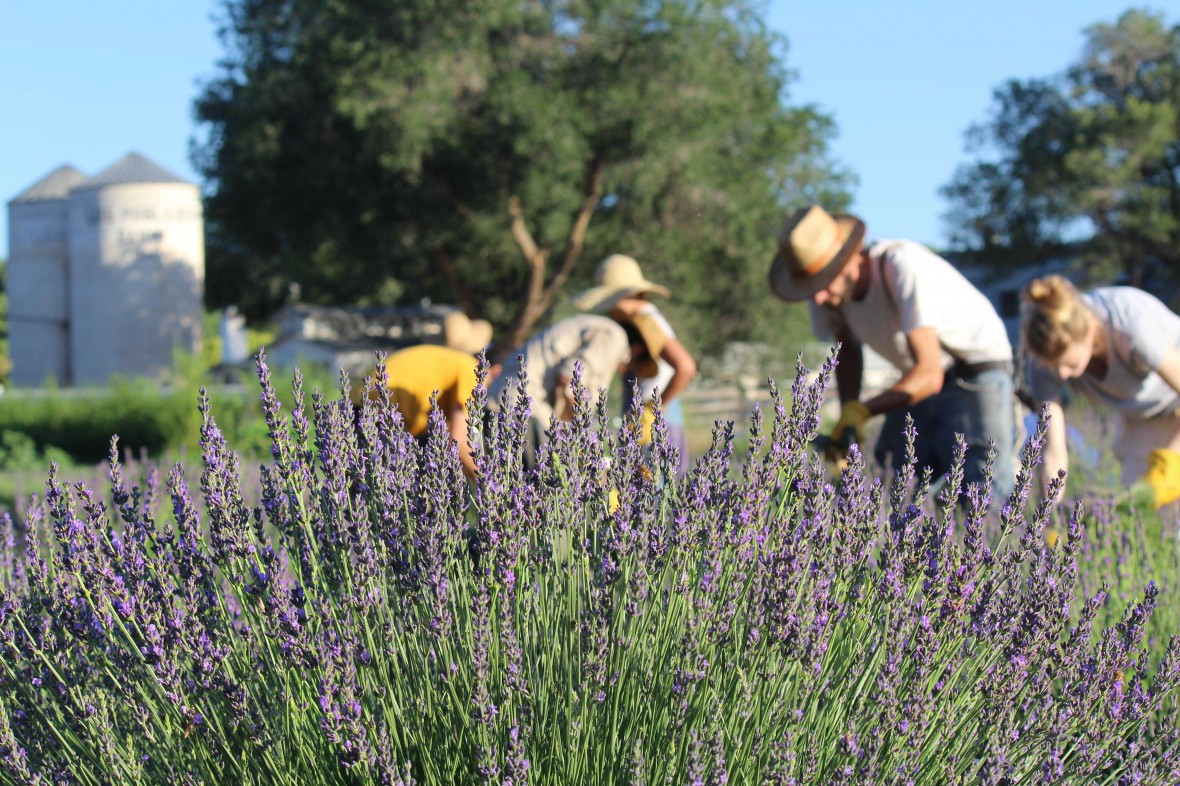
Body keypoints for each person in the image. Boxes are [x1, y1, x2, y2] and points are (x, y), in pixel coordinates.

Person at [769, 204, 1017, 497]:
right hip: (918, 378)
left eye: (824, 281)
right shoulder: (826, 296)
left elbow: (929, 372)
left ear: (850, 257)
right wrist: (850, 416)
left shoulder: (902, 267)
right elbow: (846, 352)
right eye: (812, 286)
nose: (819, 296)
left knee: (981, 486)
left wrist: (863, 411)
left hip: (975, 369)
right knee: (891, 479)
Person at [1021, 275, 1180, 507]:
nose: (1062, 374)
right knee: (1138, 508)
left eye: (1069, 364)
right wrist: (1048, 512)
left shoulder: (1132, 326)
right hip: (1147, 415)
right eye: (1054, 366)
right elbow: (1054, 450)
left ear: (1086, 332)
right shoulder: (1044, 364)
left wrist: (1173, 458)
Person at [487, 312, 666, 467]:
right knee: (542, 492)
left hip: (503, 400)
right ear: (637, 350)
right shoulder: (614, 337)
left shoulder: (598, 326)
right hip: (525, 408)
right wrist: (583, 438)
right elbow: (570, 379)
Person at [571, 254, 697, 473]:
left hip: (656, 416)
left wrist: (652, 411)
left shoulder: (645, 318)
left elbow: (685, 367)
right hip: (647, 414)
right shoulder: (636, 322)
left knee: (655, 493)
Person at [352, 311, 493, 478]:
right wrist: (489, 485)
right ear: (495, 369)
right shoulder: (471, 369)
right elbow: (461, 442)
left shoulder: (439, 358)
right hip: (381, 418)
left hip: (354, 408)